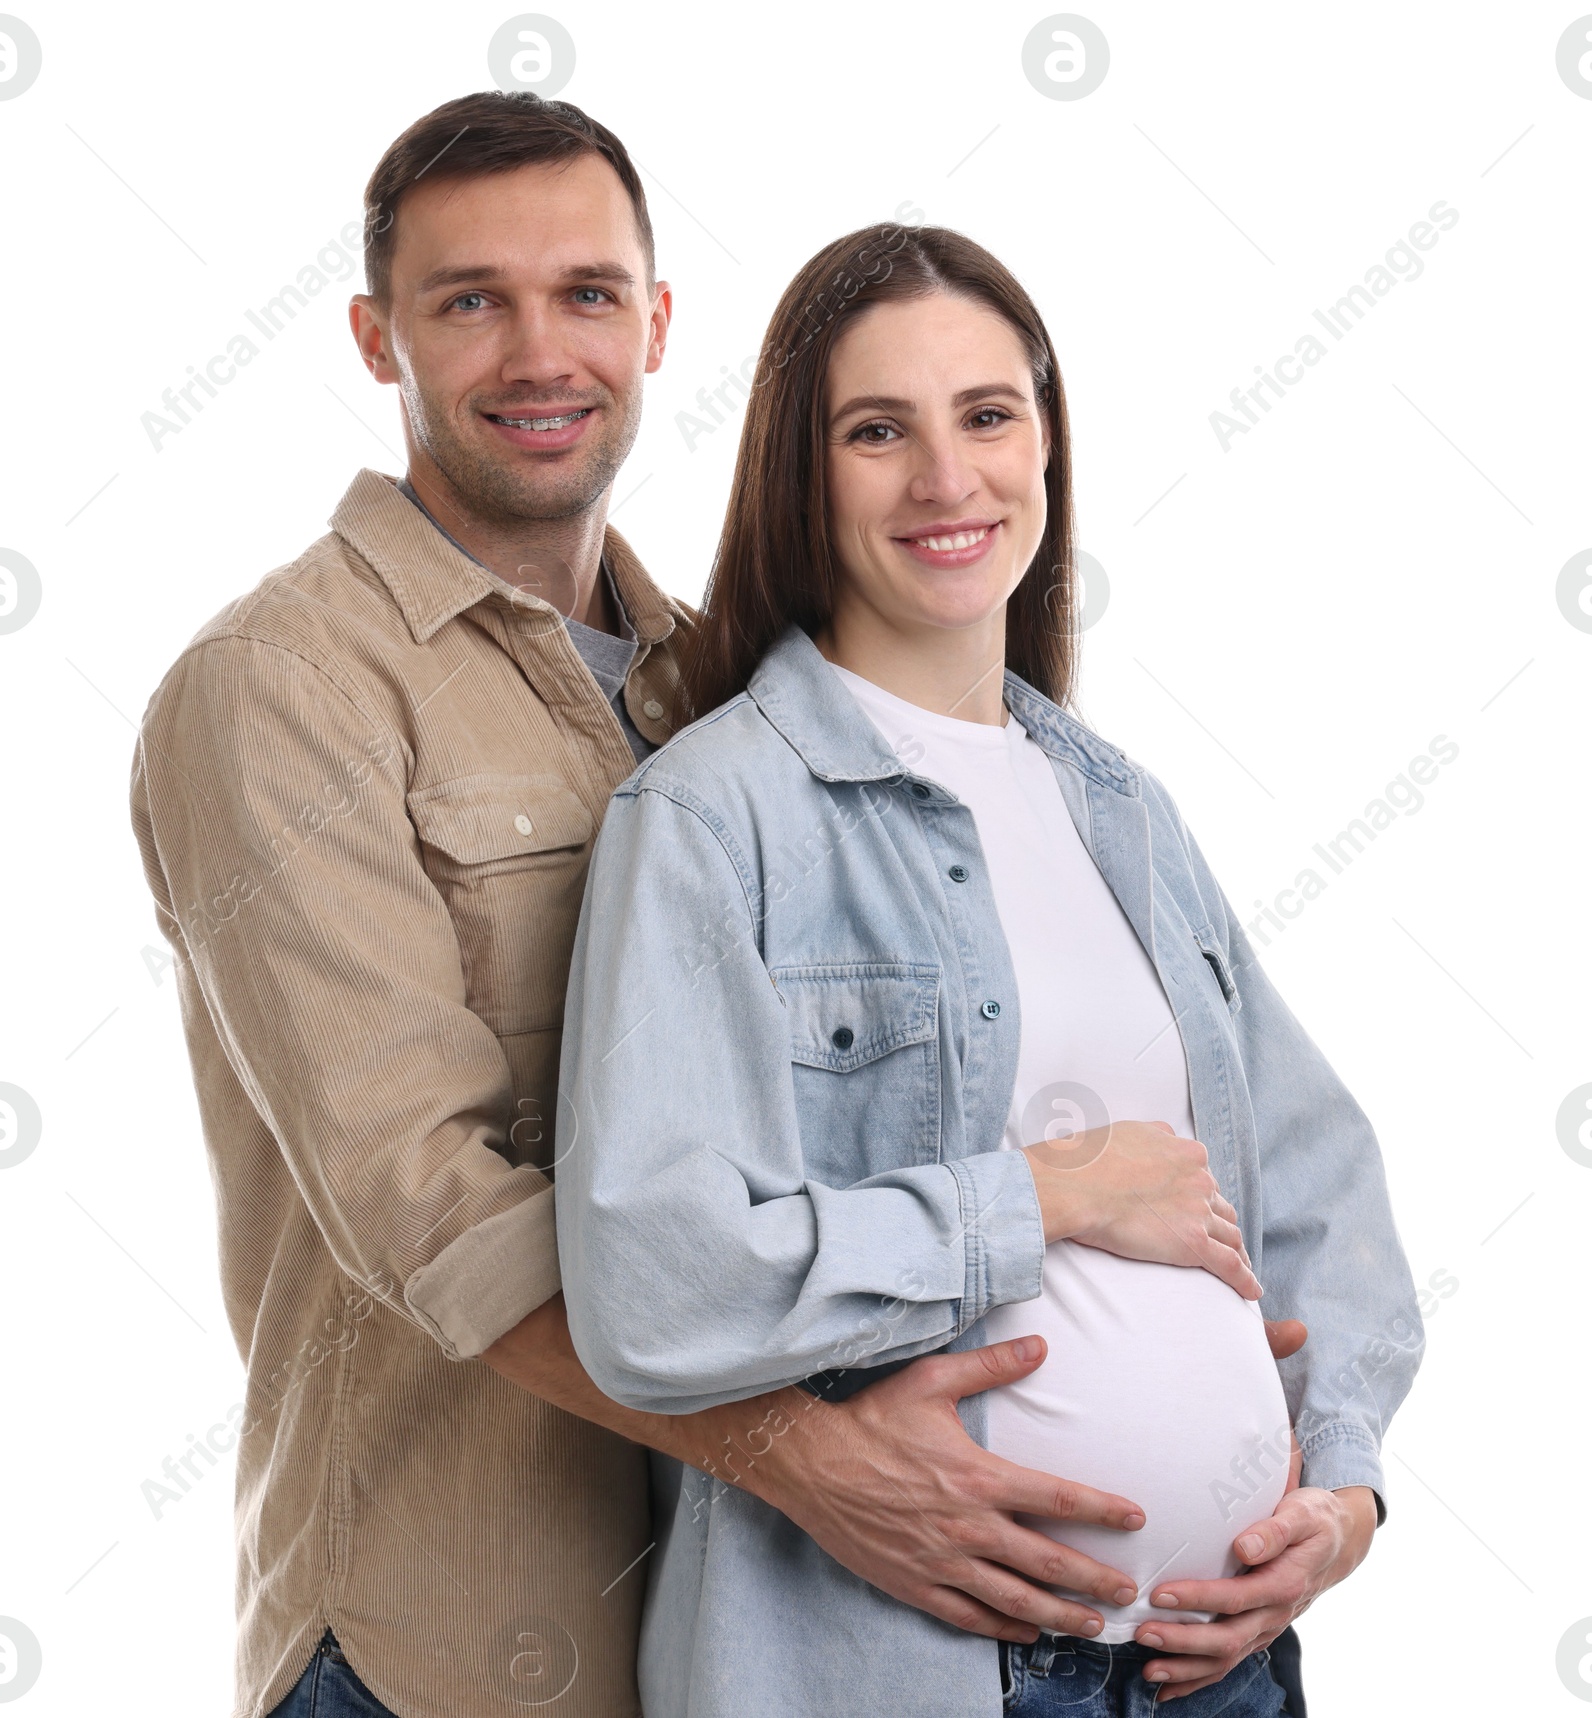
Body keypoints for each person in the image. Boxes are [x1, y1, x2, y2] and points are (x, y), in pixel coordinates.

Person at [129, 96, 1227, 1718]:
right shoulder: (278, 686)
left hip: (764, 1623)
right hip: (452, 1631)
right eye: (467, 300)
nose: (537, 352)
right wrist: (809, 1456)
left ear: (656, 323)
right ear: (378, 337)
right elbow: (423, 1197)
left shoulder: (719, 678)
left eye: (585, 294)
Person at [555, 224, 1422, 1716]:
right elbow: (652, 1278)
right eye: (878, 430)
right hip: (910, 1670)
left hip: (1217, 1665)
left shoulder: (1118, 805)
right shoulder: (712, 816)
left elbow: (1321, 1175)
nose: (947, 479)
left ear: (1046, 443)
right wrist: (1052, 1196)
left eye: (988, 414)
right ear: (801, 475)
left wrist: (1338, 1500)